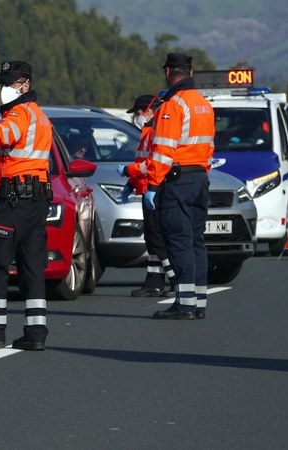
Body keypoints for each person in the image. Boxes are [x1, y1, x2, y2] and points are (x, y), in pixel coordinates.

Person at [0, 60, 52, 351]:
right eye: (3, 83)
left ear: (25, 85)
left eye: (10, 83)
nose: (5, 89)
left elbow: (6, 133)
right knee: (31, 266)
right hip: (36, 199)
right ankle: (36, 330)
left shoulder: (19, 113)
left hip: (14, 200)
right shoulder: (40, 115)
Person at [144, 53, 215, 320]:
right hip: (199, 177)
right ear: (191, 71)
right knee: (196, 241)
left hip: (177, 180)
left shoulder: (173, 105)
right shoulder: (204, 105)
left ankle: (184, 304)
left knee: (178, 241)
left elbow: (163, 151)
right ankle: (197, 302)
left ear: (168, 71)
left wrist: (152, 184)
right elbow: (209, 148)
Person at [117, 94, 177, 297]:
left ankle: (175, 279)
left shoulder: (157, 132)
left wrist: (128, 171)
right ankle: (154, 281)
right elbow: (143, 161)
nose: (137, 116)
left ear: (149, 110)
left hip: (157, 189)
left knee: (159, 238)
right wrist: (130, 184)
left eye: (139, 112)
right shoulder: (147, 131)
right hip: (146, 188)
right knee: (152, 239)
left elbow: (152, 164)